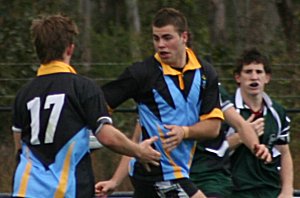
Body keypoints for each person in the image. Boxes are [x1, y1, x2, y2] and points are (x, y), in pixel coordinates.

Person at [11, 14, 161, 198]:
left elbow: (19, 147)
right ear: (70, 49)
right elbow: (107, 137)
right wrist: (138, 151)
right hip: (68, 190)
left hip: (27, 190)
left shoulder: (23, 94)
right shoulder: (82, 87)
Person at [96, 7, 224, 198]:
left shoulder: (206, 73)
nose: (160, 45)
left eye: (167, 38)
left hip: (178, 170)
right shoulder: (142, 73)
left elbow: (213, 127)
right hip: (155, 169)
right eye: (156, 39)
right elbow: (98, 108)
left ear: (184, 37)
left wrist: (185, 132)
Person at [225, 48, 294, 198]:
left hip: (270, 190)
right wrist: (243, 135)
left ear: (267, 77)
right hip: (235, 191)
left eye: (259, 72)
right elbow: (212, 151)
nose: (254, 77)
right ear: (238, 77)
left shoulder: (277, 112)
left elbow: (284, 152)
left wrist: (287, 190)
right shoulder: (227, 110)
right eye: (248, 72)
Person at [189, 84, 270, 198]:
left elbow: (240, 124)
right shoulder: (159, 81)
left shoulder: (207, 80)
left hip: (209, 172)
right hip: (174, 167)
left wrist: (256, 146)